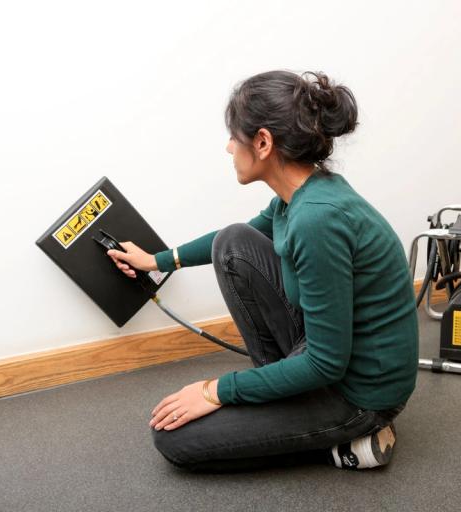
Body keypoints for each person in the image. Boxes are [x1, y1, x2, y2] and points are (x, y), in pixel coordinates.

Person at [106, 70, 418, 472]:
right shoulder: (303, 195)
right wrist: (157, 260)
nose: (228, 146)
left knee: (176, 440)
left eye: (234, 136)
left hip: (362, 396)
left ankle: (355, 436)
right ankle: (287, 402)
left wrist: (216, 390)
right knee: (233, 244)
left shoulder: (316, 220)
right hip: (333, 356)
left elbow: (326, 364)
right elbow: (235, 241)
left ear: (264, 142)